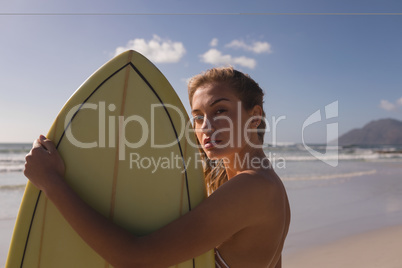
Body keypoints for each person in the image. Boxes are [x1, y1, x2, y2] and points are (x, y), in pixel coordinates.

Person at [24, 66, 290, 268]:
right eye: (197, 117)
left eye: (220, 111)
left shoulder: (252, 187)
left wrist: (51, 182)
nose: (205, 127)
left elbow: (134, 258)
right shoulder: (258, 184)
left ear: (254, 118)